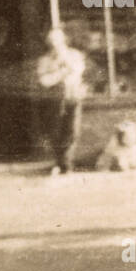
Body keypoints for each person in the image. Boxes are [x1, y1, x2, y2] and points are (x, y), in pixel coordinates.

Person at [35, 27, 85, 174]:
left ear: (64, 41)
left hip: (72, 97)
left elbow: (78, 70)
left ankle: (66, 163)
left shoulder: (74, 55)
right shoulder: (44, 60)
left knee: (72, 130)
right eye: (52, 41)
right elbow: (44, 81)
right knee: (56, 131)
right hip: (54, 100)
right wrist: (61, 72)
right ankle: (60, 162)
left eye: (58, 41)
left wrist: (64, 63)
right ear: (48, 43)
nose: (55, 45)